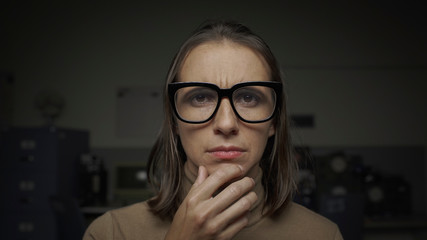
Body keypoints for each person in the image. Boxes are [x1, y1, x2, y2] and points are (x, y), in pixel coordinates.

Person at [83, 20, 343, 240]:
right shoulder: (111, 233)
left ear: (274, 120)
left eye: (249, 97)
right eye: (200, 98)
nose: (226, 124)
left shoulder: (321, 235)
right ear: (174, 119)